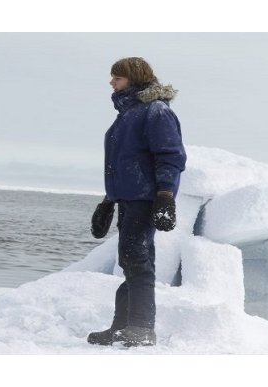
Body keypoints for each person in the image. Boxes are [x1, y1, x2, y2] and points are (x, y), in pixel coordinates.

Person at [87, 57, 187, 347]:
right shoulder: (129, 113)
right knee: (132, 260)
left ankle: (142, 328)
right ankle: (123, 327)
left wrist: (165, 195)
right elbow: (124, 163)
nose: (111, 82)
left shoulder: (155, 112)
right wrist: (109, 201)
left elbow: (170, 156)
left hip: (146, 199)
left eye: (117, 77)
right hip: (129, 198)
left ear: (134, 78)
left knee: (137, 260)